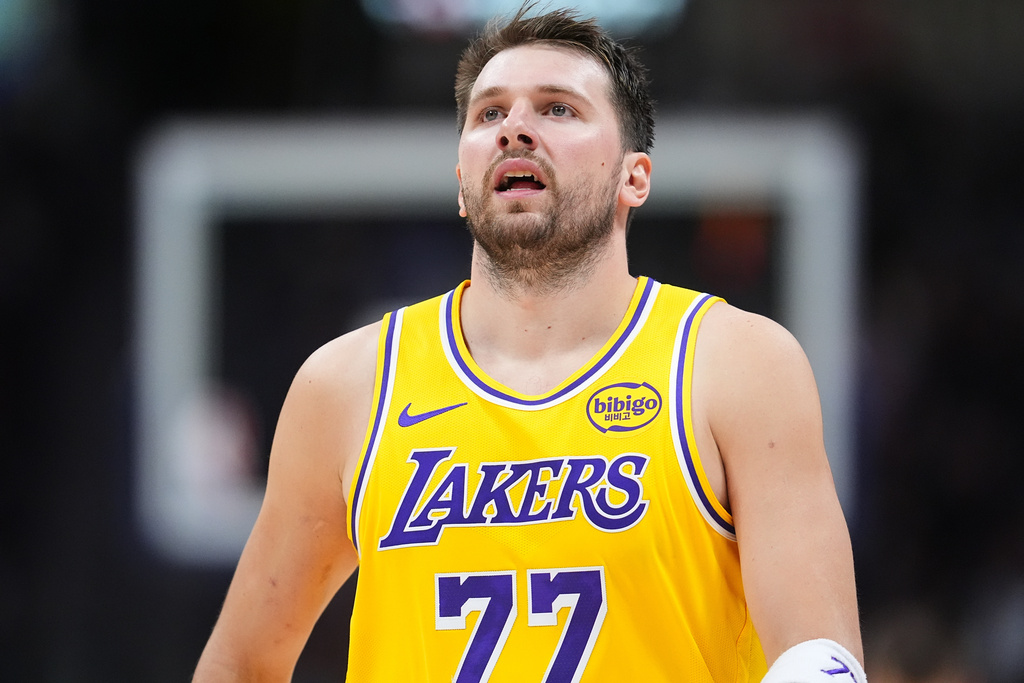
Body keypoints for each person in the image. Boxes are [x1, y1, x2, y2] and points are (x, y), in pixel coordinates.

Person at [193, 4, 865, 681]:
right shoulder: (346, 386)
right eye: (490, 113)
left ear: (634, 176)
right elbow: (239, 663)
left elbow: (820, 659)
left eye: (558, 109)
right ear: (462, 184)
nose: (514, 128)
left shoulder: (736, 364)